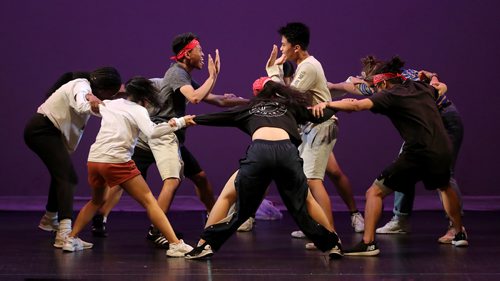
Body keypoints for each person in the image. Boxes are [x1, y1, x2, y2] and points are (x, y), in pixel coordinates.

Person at [91, 32, 249, 247]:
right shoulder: (176, 74)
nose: (203, 55)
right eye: (199, 50)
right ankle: (156, 228)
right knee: (167, 180)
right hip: (161, 136)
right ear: (186, 54)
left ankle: (215, 218)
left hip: (168, 136)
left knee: (199, 177)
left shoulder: (183, 76)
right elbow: (194, 98)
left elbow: (216, 100)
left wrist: (251, 102)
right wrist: (212, 77)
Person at [311, 56, 468, 256]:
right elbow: (441, 87)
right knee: (444, 185)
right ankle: (459, 233)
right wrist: (437, 82)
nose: (375, 91)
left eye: (376, 87)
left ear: (383, 83)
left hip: (418, 151)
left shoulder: (390, 95)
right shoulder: (421, 87)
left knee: (373, 192)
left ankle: (368, 243)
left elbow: (358, 106)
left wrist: (327, 105)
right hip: (442, 146)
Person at [184, 79, 343, 260]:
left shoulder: (249, 108)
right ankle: (333, 244)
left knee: (228, 196)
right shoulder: (290, 106)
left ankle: (204, 244)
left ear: (256, 95)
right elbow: (320, 115)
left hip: (260, 153)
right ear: (277, 93)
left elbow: (219, 118)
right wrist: (333, 105)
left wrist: (189, 120)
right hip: (287, 153)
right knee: (307, 201)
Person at [62, 77, 194, 257]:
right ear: (146, 96)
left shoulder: (110, 103)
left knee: (96, 201)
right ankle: (175, 244)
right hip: (116, 161)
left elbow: (86, 107)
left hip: (94, 160)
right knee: (149, 201)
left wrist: (88, 96)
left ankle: (70, 238)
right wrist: (179, 122)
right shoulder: (139, 110)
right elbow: (152, 133)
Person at [265, 22, 364, 240]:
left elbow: (287, 98)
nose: (281, 49)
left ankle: (329, 233)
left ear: (296, 47)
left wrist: (272, 73)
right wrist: (279, 71)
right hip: (311, 128)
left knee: (312, 179)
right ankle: (314, 223)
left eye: (284, 45)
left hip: (321, 126)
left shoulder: (309, 66)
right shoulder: (304, 66)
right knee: (313, 175)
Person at [24, 67, 122, 248]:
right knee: (69, 178)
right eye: (111, 94)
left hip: (46, 131)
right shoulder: (81, 86)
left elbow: (105, 98)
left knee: (60, 175)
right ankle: (64, 233)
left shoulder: (88, 86)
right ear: (103, 89)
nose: (111, 97)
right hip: (42, 131)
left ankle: (50, 219)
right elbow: (82, 103)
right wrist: (91, 102)